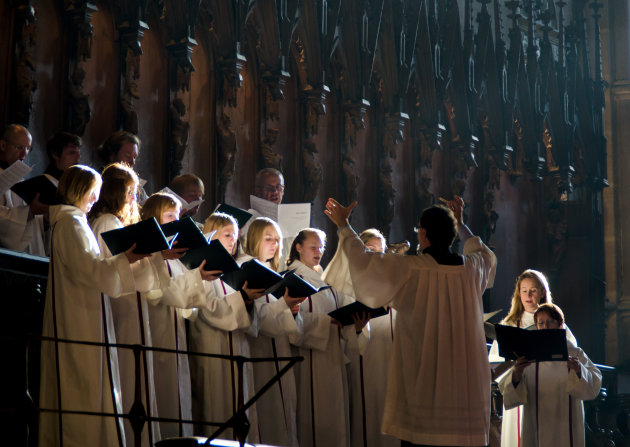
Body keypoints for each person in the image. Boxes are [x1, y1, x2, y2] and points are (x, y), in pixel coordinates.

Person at [325, 196, 497, 447]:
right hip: (465, 390)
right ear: (451, 235)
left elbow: (365, 262)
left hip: (424, 383)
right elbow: (483, 252)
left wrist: (344, 225)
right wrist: (459, 222)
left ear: (424, 234)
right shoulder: (473, 269)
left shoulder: (412, 268)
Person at [38, 164, 148, 447]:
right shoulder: (72, 224)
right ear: (78, 189)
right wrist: (127, 258)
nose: (95, 199)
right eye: (92, 192)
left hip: (83, 311)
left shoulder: (72, 222)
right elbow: (92, 271)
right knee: (83, 386)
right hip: (80, 317)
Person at [88, 163, 173, 446]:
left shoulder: (114, 223)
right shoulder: (106, 224)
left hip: (131, 305)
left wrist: (158, 254)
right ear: (116, 192)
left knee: (135, 376)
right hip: (121, 307)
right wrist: (156, 255)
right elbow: (112, 270)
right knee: (127, 375)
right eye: (130, 192)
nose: (133, 199)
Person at [139, 193, 221, 438]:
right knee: (162, 398)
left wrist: (197, 275)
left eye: (177, 216)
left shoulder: (173, 256)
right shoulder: (150, 253)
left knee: (178, 397)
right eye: (169, 215)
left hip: (175, 332)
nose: (175, 220)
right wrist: (197, 279)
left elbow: (185, 298)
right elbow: (157, 292)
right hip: (157, 331)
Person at [187, 212, 261, 442]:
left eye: (236, 236)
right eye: (227, 234)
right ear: (212, 234)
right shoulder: (202, 266)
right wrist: (241, 299)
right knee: (217, 407)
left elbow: (246, 318)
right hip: (212, 346)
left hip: (237, 347)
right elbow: (209, 308)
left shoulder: (236, 269)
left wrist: (248, 301)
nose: (233, 241)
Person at [323, 228, 398, 447]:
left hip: (390, 357)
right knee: (367, 412)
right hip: (363, 357)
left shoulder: (393, 281)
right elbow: (340, 322)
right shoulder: (347, 283)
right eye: (371, 250)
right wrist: (357, 327)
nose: (377, 255)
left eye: (381, 251)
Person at [287, 227, 359, 447]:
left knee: (334, 415)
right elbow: (289, 324)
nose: (318, 251)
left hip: (333, 356)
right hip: (308, 359)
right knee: (313, 418)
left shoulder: (325, 278)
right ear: (298, 248)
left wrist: (355, 322)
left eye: (321, 247)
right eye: (313, 247)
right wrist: (325, 322)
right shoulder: (292, 278)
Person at [488, 269, 577, 446]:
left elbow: (573, 352)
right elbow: (495, 363)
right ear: (518, 294)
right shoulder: (509, 325)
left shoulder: (557, 324)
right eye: (524, 290)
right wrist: (514, 370)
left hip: (553, 394)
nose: (528, 295)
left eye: (533, 290)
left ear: (542, 292)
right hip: (522, 393)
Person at [498, 303, 602, 447]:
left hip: (566, 423)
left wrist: (579, 370)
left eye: (550, 322)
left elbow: (594, 383)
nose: (545, 327)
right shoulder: (527, 355)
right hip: (536, 420)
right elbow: (510, 392)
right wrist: (516, 374)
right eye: (541, 323)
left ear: (560, 324)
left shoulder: (575, 353)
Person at [241, 217, 302, 447]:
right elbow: (255, 318)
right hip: (261, 351)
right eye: (268, 239)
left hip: (279, 347)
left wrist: (291, 307)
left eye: (277, 240)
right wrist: (283, 304)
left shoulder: (273, 270)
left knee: (283, 411)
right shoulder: (247, 268)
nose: (274, 244)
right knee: (267, 414)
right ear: (254, 238)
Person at [0, 124, 46, 255]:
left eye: (28, 149)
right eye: (19, 148)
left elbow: (33, 228)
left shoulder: (21, 182)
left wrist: (44, 219)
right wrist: (29, 212)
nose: (24, 154)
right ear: (3, 146)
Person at [97, 131, 148, 202]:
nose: (132, 162)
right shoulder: (98, 183)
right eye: (127, 156)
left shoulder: (136, 185)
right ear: (112, 156)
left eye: (134, 157)